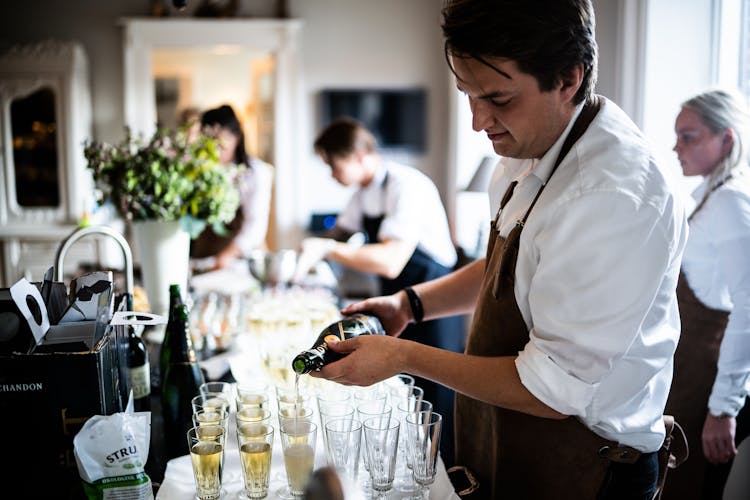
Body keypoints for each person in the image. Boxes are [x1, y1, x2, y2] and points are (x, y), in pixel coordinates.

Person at [308, 1, 689, 498]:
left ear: (568, 79)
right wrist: (410, 304)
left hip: (587, 469)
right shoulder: (529, 151)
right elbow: (505, 268)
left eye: (499, 99)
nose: (477, 121)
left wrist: (401, 356)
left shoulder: (615, 195)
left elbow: (553, 391)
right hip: (511, 443)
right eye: (467, 94)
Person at [298, 117, 465, 466]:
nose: (330, 173)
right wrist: (309, 250)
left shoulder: (406, 185)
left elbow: (390, 261)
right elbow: (338, 235)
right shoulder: (363, 194)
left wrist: (325, 250)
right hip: (396, 301)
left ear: (358, 155)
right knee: (402, 390)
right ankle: (410, 466)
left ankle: (446, 474)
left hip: (434, 299)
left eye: (332, 163)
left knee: (435, 397)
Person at [661, 89, 750, 500]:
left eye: (689, 136)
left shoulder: (732, 202)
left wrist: (723, 408)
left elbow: (748, 306)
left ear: (726, 139)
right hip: (686, 369)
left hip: (706, 376)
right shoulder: (708, 198)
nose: (676, 146)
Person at [189, 104, 274, 269]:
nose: (214, 149)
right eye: (208, 141)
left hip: (240, 263)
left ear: (237, 137)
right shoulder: (196, 171)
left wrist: (226, 257)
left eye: (220, 142)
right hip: (200, 261)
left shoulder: (256, 172)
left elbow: (255, 228)